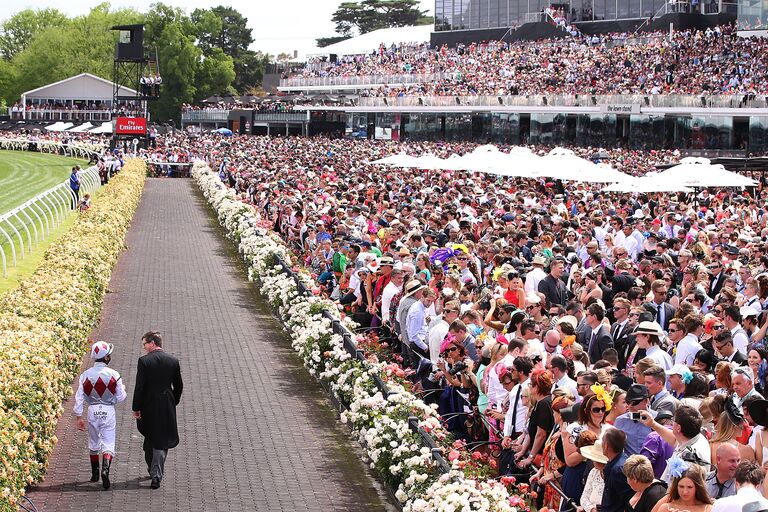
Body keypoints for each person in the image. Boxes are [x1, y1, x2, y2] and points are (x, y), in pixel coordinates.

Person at [132, 331, 184, 489]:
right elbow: (179, 386)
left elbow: (139, 387)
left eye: (145, 344)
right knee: (161, 438)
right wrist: (173, 399)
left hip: (148, 403)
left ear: (152, 343)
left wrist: (136, 407)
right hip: (167, 403)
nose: (144, 347)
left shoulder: (144, 361)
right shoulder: (173, 361)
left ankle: (154, 472)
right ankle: (156, 471)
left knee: (151, 435)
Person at [73, 340, 127, 490]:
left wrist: (79, 417)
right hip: (108, 410)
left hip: (92, 410)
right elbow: (121, 397)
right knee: (108, 443)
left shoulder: (85, 375)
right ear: (106, 358)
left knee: (94, 442)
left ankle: (95, 473)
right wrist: (119, 392)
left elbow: (79, 397)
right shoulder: (114, 375)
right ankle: (105, 469)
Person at [601, 427, 634, 512]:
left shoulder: (618, 470)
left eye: (602, 441)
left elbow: (629, 500)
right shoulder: (617, 463)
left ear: (606, 445)